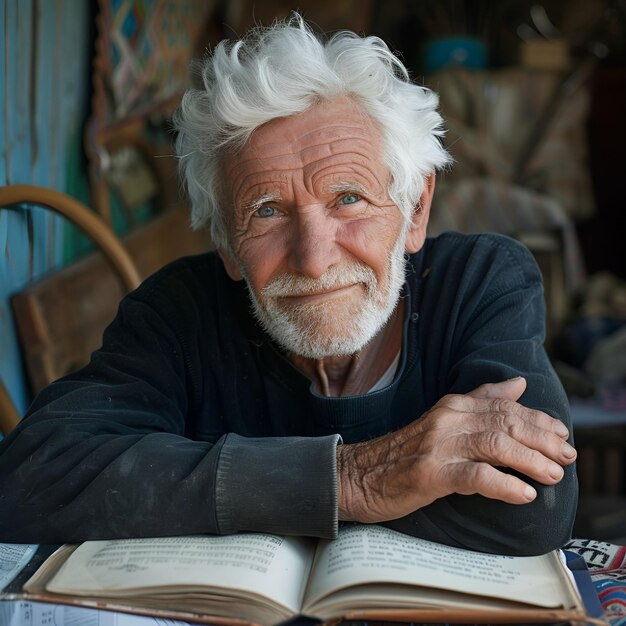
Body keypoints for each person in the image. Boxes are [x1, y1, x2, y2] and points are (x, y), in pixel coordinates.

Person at [0, 15, 577, 555]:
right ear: (226, 242)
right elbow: (28, 482)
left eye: (349, 199)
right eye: (268, 211)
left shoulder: (478, 283)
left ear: (415, 209)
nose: (314, 259)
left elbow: (534, 505)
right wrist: (356, 480)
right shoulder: (179, 313)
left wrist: (208, 492)